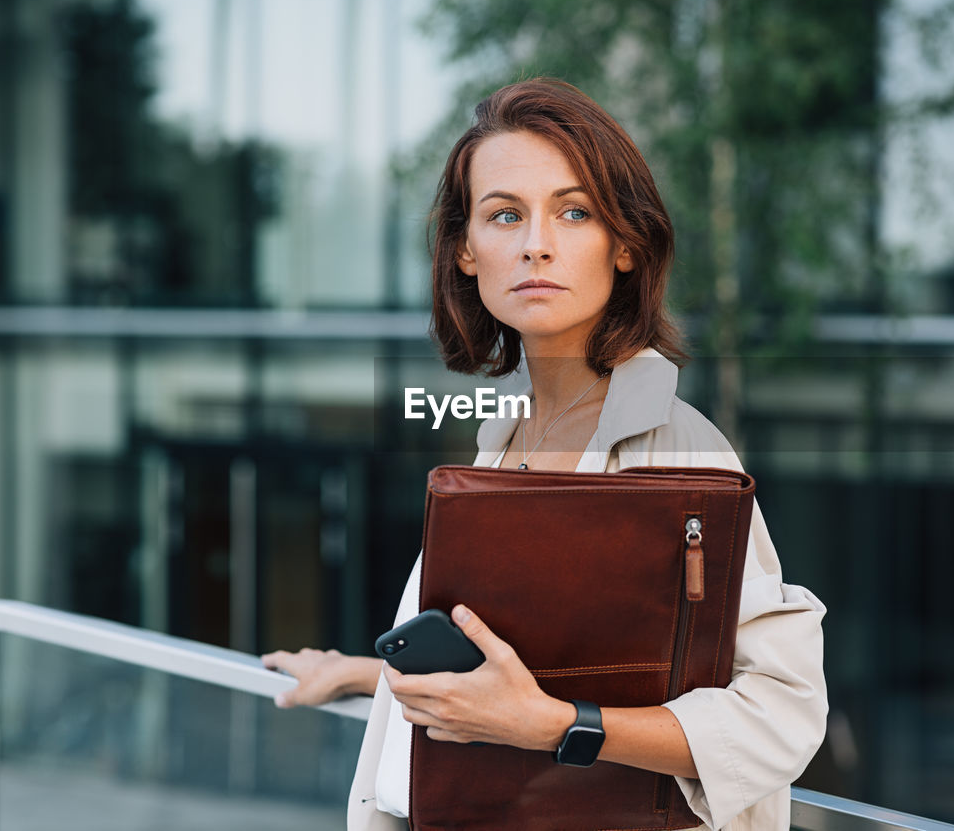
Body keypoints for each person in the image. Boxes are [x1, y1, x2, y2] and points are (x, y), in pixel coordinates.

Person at [262, 78, 828, 831]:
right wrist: (363, 674)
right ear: (466, 251)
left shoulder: (677, 447)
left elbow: (779, 712)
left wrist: (560, 725)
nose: (537, 243)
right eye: (505, 215)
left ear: (624, 244)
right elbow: (545, 661)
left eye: (574, 211)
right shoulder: (504, 437)